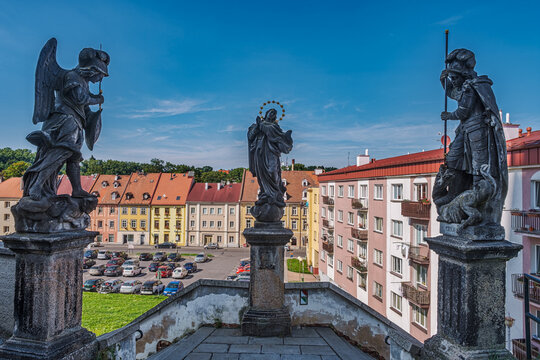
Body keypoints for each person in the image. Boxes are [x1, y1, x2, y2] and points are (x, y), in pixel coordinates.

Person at [23, 40, 109, 201]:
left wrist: (91, 117)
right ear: (92, 69)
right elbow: (79, 98)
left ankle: (77, 189)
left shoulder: (84, 82)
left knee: (73, 156)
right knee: (60, 152)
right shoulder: (72, 76)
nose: (100, 79)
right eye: (100, 75)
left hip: (75, 122)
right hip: (63, 120)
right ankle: (36, 185)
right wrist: (97, 99)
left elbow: (82, 106)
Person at [247, 108, 293, 221]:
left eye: (275, 114)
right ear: (266, 114)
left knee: (273, 172)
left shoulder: (275, 127)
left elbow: (282, 139)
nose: (273, 115)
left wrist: (287, 137)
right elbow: (250, 137)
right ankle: (265, 193)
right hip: (260, 154)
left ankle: (274, 194)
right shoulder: (257, 124)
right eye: (271, 112)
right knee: (262, 175)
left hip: (272, 152)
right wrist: (258, 127)